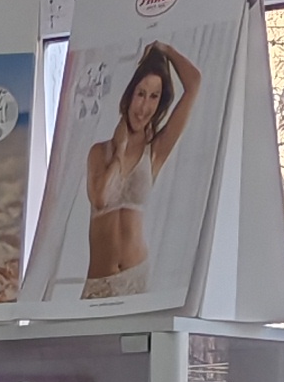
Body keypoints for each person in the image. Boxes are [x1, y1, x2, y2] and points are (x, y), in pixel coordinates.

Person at [83, 41, 200, 300]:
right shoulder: (99, 152)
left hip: (137, 278)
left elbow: (194, 83)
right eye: (141, 94)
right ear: (129, 95)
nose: (144, 107)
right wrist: (119, 151)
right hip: (98, 284)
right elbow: (100, 198)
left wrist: (166, 49)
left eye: (154, 97)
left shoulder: (155, 151)